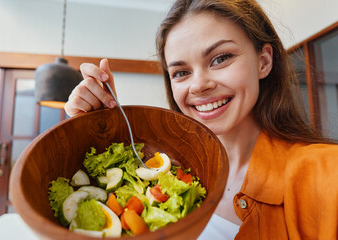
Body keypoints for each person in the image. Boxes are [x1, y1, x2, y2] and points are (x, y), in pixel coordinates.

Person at [65, 0, 338, 239]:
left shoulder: (326, 173)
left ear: (263, 61)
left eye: (220, 58)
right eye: (181, 72)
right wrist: (95, 128)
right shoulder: (167, 174)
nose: (198, 85)